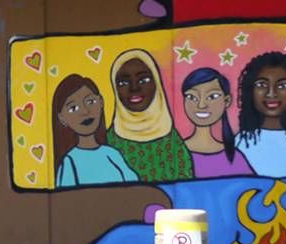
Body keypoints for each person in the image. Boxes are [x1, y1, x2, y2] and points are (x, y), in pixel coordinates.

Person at [106, 48, 195, 182]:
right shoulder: (108, 145)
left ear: (157, 83)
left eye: (144, 80)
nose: (134, 88)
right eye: (123, 83)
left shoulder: (173, 143)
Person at [51, 74, 140, 187]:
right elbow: (66, 199)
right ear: (62, 118)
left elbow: (134, 186)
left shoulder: (112, 154)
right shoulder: (70, 162)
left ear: (101, 102)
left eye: (90, 102)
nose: (85, 111)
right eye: (73, 108)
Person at [180, 67, 254, 178]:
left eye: (212, 96)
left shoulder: (235, 157)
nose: (201, 105)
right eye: (192, 97)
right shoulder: (176, 154)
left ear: (227, 101)